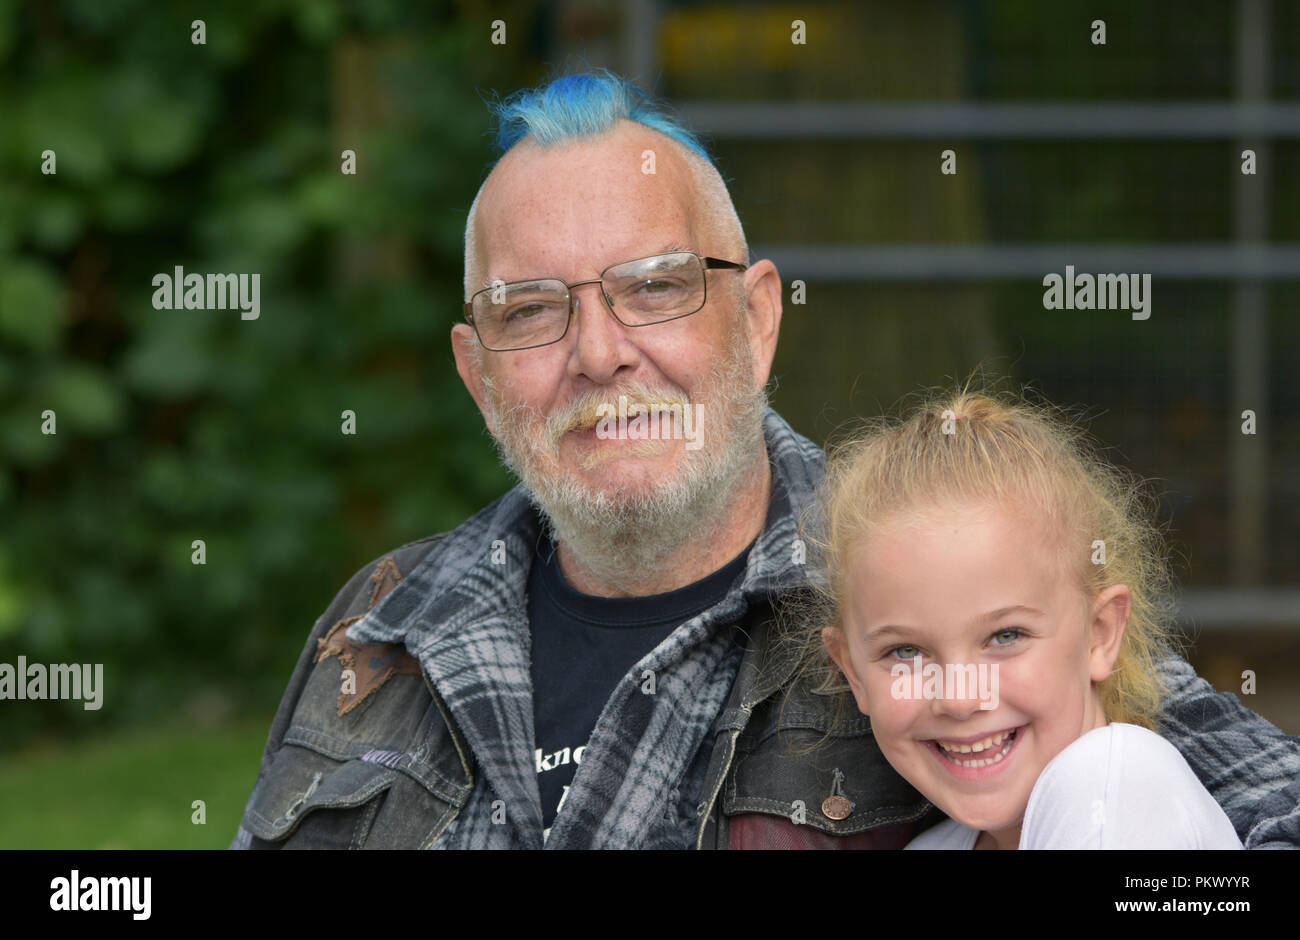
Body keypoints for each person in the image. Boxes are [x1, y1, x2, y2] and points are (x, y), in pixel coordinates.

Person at [230, 69, 1300, 849]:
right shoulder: (380, 624)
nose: (600, 354)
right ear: (477, 371)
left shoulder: (919, 565)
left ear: (756, 319)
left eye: (654, 287)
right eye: (532, 311)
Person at [812, 387, 1242, 848]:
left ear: (1100, 634)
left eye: (1005, 635)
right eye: (907, 651)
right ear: (852, 670)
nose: (959, 699)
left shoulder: (1114, 786)